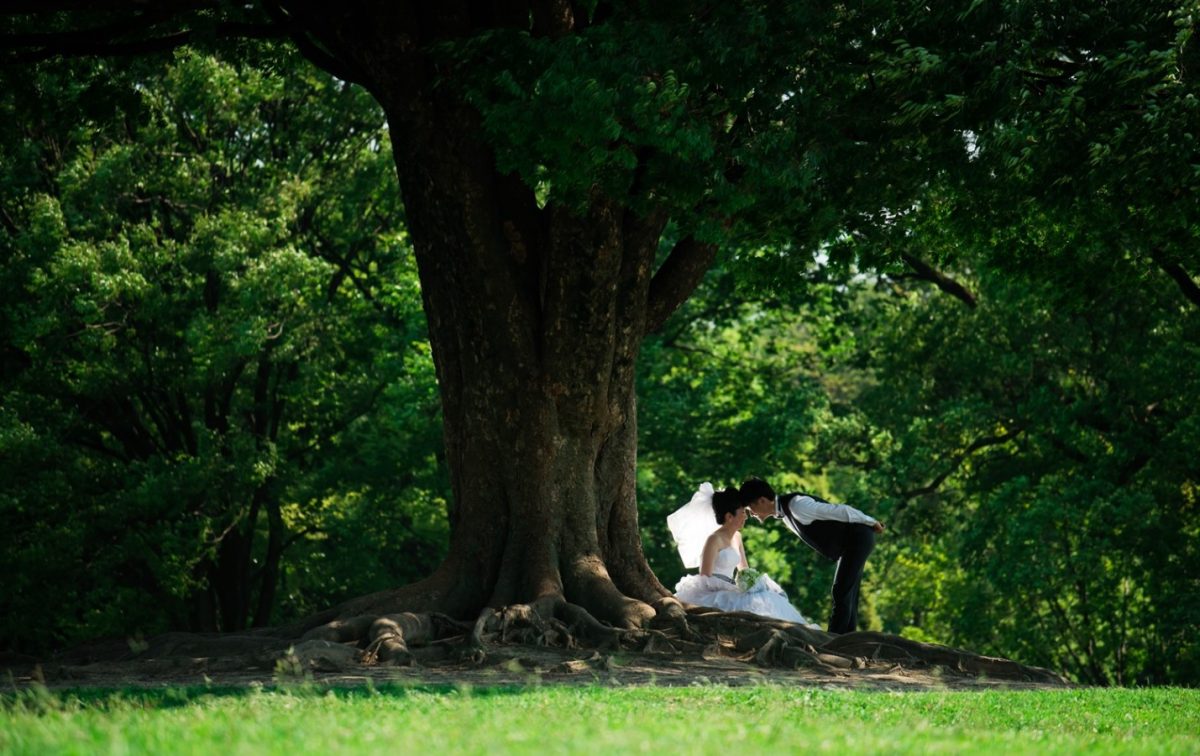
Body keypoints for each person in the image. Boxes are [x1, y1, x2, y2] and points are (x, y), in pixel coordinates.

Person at [740, 477, 885, 634]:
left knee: (841, 591)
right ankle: (847, 638)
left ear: (762, 501)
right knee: (848, 593)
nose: (750, 513)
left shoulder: (796, 505)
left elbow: (841, 510)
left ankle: (833, 640)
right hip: (853, 542)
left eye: (750, 507)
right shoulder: (786, 512)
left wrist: (871, 521)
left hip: (858, 537)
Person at [669, 484, 816, 625]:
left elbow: (743, 569)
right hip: (713, 591)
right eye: (742, 513)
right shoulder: (713, 539)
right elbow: (705, 576)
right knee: (750, 602)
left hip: (732, 588)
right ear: (729, 516)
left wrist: (752, 583)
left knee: (767, 597)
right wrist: (731, 587)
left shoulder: (737, 537)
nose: (746, 517)